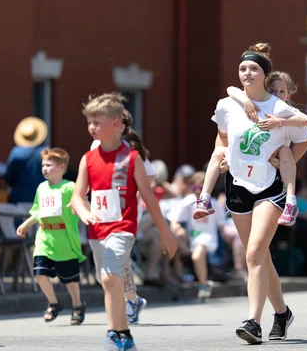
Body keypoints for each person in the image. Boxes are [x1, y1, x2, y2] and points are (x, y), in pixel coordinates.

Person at [209, 43, 307, 344]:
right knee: (261, 257)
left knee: (253, 253)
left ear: (264, 75)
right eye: (243, 68)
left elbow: (304, 138)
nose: (247, 72)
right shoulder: (228, 105)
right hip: (238, 186)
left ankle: (253, 321)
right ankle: (282, 313)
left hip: (270, 188)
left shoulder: (279, 108)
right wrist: (224, 156)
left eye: (253, 68)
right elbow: (221, 138)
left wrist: (285, 161)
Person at [71, 93, 178, 351]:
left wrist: (165, 234)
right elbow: (77, 196)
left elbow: (151, 200)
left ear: (117, 124)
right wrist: (84, 213)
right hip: (97, 230)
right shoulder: (88, 158)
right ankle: (124, 334)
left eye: (98, 122)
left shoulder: (132, 159)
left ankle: (111, 333)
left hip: (123, 228)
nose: (92, 127)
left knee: (110, 278)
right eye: (90, 122)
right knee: (109, 279)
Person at [194, 71, 307, 227]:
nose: (276, 94)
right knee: (219, 151)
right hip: (242, 179)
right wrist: (246, 101)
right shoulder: (251, 107)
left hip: (269, 180)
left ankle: (290, 202)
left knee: (285, 150)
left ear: (288, 95)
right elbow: (231, 89)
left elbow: (304, 122)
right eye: (272, 91)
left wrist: (284, 164)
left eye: (281, 91)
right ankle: (204, 198)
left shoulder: (286, 112)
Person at [90, 109, 155, 324]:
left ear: (119, 125)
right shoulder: (95, 147)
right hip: (100, 212)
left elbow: (151, 174)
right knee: (104, 269)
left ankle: (126, 306)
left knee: (119, 261)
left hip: (124, 214)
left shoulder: (130, 148)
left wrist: (134, 194)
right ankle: (131, 300)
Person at [16, 148, 86, 325]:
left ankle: (77, 305)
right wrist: (25, 224)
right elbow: (39, 211)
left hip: (64, 240)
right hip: (44, 237)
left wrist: (88, 214)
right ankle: (53, 303)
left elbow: (82, 201)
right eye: (43, 165)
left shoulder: (69, 187)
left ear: (62, 167)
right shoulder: (41, 188)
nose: (45, 168)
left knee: (70, 279)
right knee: (39, 273)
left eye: (49, 165)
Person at [168, 171, 227, 301]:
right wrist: (176, 227)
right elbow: (173, 218)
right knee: (174, 235)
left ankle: (203, 284)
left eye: (200, 189)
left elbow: (221, 224)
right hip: (191, 238)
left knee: (197, 255)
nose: (197, 192)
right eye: (194, 188)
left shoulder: (214, 203)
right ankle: (179, 274)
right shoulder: (189, 201)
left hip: (207, 237)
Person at [4, 117, 48, 203]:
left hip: (18, 199)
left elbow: (8, 178)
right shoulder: (45, 152)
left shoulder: (15, 152)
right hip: (40, 199)